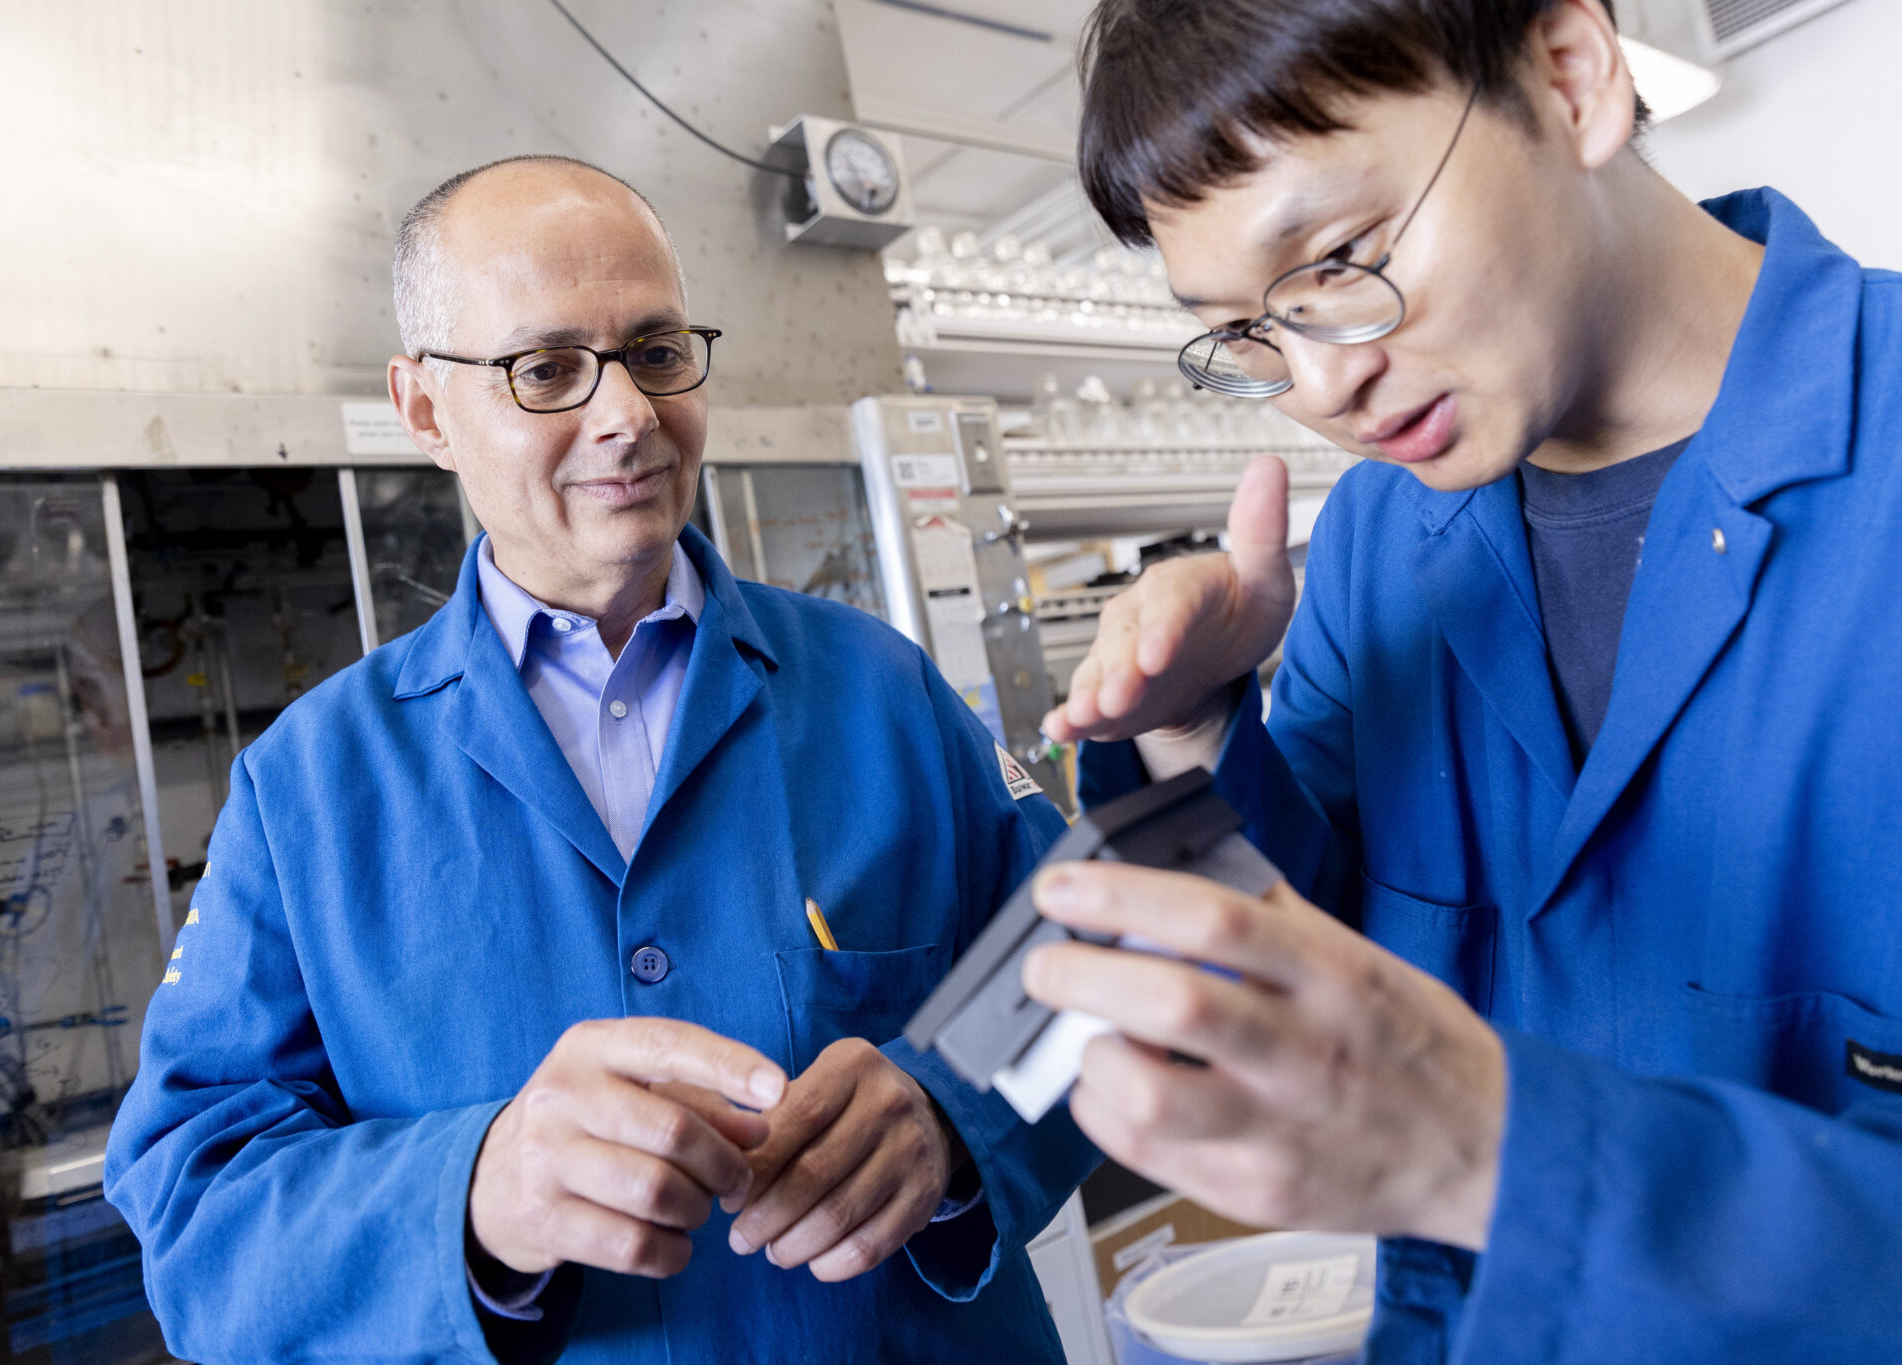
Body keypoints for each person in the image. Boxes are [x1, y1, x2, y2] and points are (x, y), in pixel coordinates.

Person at [104, 156, 1093, 1364]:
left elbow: (1086, 955)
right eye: (548, 368)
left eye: (658, 351)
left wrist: (952, 1107)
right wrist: (473, 1196)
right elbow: (195, 1209)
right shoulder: (306, 788)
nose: (625, 414)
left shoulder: (878, 689)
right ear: (425, 411)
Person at [1026, 0, 1902, 1359]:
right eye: (1250, 335)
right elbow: (1306, 954)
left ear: (1570, 78)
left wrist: (1491, 1148)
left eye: (1341, 256)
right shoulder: (1384, 535)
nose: (1324, 383)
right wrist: (1201, 727)